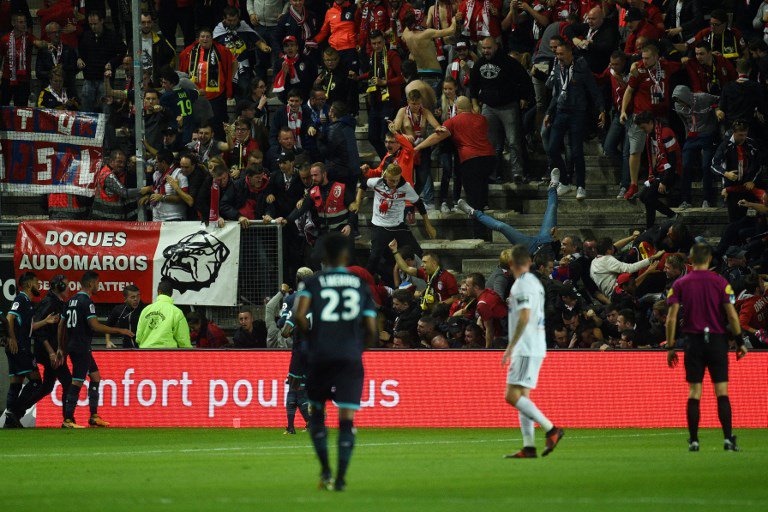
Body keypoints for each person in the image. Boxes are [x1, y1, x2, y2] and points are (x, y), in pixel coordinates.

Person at [294, 232, 378, 491]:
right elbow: (371, 327)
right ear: (345, 255)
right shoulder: (359, 283)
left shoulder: (313, 282)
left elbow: (299, 316)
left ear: (324, 256)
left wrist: (312, 339)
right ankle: (341, 478)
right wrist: (359, 348)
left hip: (320, 355)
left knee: (317, 414)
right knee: (346, 420)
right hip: (349, 358)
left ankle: (326, 472)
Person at [666, 243, 748, 452]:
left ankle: (694, 441)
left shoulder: (680, 284)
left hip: (693, 342)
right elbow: (732, 315)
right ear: (709, 259)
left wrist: (671, 346)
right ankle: (728, 439)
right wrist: (740, 342)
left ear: (691, 259)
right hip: (716, 341)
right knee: (721, 391)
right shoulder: (720, 281)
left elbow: (671, 318)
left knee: (695, 391)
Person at [502, 244, 564, 458]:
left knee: (511, 395)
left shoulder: (521, 285)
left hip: (525, 346)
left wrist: (511, 345)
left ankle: (551, 429)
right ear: (529, 262)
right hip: (536, 343)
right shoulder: (535, 282)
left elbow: (525, 315)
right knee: (523, 397)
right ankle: (529, 447)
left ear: (511, 263)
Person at [58, 271, 133, 428]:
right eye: (97, 283)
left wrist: (60, 346)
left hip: (75, 345)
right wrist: (120, 330)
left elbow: (61, 325)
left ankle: (93, 416)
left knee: (96, 377)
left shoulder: (70, 301)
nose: (99, 286)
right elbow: (95, 326)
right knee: (77, 381)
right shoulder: (87, 302)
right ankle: (68, 419)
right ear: (91, 284)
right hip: (81, 346)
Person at [414, 96, 496, 216]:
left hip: (471, 160)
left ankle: (477, 224)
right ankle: (485, 214)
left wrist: (418, 147)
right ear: (470, 107)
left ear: (456, 108)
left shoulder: (453, 121)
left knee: (473, 199)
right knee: (482, 190)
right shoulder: (482, 119)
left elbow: (436, 137)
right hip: (489, 158)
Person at [544, 40, 606, 200]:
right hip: (561, 112)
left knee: (577, 151)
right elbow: (557, 93)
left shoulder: (581, 67)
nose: (559, 57)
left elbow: (593, 89)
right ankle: (565, 182)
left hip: (577, 113)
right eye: (557, 54)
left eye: (561, 54)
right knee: (552, 148)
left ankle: (580, 186)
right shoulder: (557, 67)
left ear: (570, 53)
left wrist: (601, 109)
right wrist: (549, 112)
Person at [357, 163, 437, 285]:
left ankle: (434, 281)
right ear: (385, 176)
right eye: (391, 180)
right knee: (374, 258)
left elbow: (419, 204)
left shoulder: (405, 187)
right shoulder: (377, 182)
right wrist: (357, 202)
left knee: (419, 253)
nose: (394, 183)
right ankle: (362, 286)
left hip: (398, 226)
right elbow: (363, 184)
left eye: (397, 180)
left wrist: (428, 225)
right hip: (380, 226)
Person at [470, 37, 534, 182]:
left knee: (513, 141)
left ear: (496, 47)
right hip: (489, 107)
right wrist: (475, 104)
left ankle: (518, 173)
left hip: (508, 106)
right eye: (483, 48)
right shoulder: (479, 64)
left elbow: (524, 79)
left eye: (488, 48)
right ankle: (492, 174)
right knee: (490, 143)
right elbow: (473, 86)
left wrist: (524, 97)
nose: (486, 51)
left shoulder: (509, 62)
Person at [455, 168, 560, 253]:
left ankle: (473, 212)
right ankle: (553, 187)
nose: (564, 248)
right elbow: (557, 249)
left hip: (530, 248)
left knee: (502, 226)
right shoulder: (561, 260)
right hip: (547, 239)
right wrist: (556, 239)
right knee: (552, 208)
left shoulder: (549, 267)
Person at [3, 272, 59, 428]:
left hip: (19, 347)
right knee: (36, 382)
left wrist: (46, 321)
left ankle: (10, 421)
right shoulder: (21, 299)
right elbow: (9, 317)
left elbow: (30, 327)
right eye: (36, 282)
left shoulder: (28, 302)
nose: (39, 285)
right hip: (20, 347)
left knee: (16, 382)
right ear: (28, 284)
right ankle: (14, 411)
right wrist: (12, 338)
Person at [178, 28, 236, 139]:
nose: (205, 39)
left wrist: (229, 78)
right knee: (196, 124)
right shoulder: (190, 51)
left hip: (216, 96)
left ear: (212, 38)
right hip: (196, 96)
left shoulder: (221, 50)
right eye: (202, 36)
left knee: (217, 125)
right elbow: (182, 67)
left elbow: (234, 62)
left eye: (208, 36)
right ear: (198, 38)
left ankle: (218, 146)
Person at [277, 267, 315, 433]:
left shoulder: (294, 299)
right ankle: (311, 421)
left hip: (300, 349)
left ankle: (294, 425)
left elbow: (283, 327)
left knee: (294, 388)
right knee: (307, 389)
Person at [633, 111, 682, 228]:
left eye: (643, 127)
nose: (643, 130)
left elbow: (673, 160)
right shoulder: (651, 135)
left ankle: (673, 215)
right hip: (660, 173)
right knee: (644, 196)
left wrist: (664, 181)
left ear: (650, 123)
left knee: (647, 197)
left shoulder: (666, 133)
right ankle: (650, 228)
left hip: (672, 173)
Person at [712, 120, 767, 222]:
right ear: (734, 132)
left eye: (745, 134)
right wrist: (726, 173)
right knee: (734, 220)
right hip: (732, 188)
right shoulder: (725, 145)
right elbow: (714, 165)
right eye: (740, 135)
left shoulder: (751, 144)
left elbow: (759, 164)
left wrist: (753, 181)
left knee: (760, 212)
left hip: (748, 185)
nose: (743, 137)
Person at [213, 6, 270, 99]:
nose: (232, 23)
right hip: (225, 68)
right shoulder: (218, 31)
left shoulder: (243, 27)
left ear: (238, 18)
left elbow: (257, 41)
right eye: (229, 20)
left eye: (234, 20)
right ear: (224, 19)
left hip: (243, 67)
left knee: (244, 90)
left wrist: (264, 46)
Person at [77, 10, 126, 113]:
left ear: (102, 21)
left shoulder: (112, 36)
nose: (93, 27)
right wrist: (79, 59)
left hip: (105, 79)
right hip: (89, 77)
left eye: (95, 24)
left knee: (106, 110)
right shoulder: (86, 35)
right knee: (86, 111)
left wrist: (112, 63)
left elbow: (122, 52)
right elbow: (80, 51)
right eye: (91, 24)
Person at [1, 11, 52, 107]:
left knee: (21, 108)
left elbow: (38, 42)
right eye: (21, 22)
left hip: (23, 80)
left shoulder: (28, 37)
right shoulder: (4, 39)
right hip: (7, 78)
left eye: (25, 22)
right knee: (3, 106)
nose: (24, 24)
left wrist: (46, 44)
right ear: (13, 23)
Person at [390, 242, 458, 312]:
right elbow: (406, 269)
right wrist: (395, 251)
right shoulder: (425, 273)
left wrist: (438, 305)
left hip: (442, 312)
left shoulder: (448, 277)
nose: (422, 265)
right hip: (428, 309)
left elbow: (455, 298)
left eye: (425, 262)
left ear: (434, 263)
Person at [91, 149, 153, 221]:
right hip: (106, 218)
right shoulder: (109, 176)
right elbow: (124, 192)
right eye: (119, 162)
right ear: (111, 161)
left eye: (124, 162)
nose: (122, 165)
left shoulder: (112, 171)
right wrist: (145, 189)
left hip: (109, 217)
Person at [135, 280, 192, 349]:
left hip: (146, 352)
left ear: (159, 292)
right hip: (167, 353)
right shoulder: (176, 312)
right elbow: (183, 339)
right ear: (171, 294)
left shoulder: (146, 310)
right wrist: (189, 351)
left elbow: (138, 337)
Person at [465, 272, 507, 348]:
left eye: (468, 285)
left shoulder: (482, 304)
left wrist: (487, 349)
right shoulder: (489, 292)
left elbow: (489, 329)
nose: (466, 288)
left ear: (476, 287)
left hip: (505, 335)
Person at [105, 285, 145, 349]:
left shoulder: (145, 309)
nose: (136, 299)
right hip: (126, 348)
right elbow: (108, 327)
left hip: (143, 348)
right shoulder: (119, 310)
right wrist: (108, 341)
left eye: (138, 296)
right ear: (125, 298)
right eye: (132, 297)